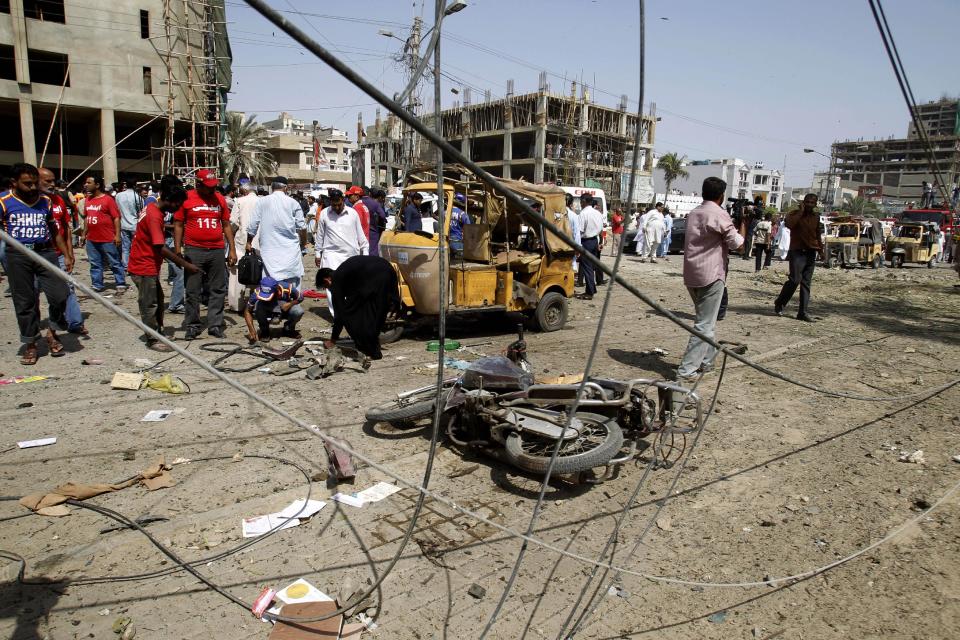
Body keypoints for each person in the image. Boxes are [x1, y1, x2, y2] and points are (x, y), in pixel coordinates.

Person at [0, 163, 73, 365]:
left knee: (60, 294)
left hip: (45, 252)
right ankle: (31, 343)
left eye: (34, 183)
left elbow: (55, 231)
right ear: (14, 183)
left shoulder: (45, 202)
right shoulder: (4, 202)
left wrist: (66, 254)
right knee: (25, 302)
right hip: (18, 255)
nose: (32, 188)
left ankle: (52, 331)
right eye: (27, 184)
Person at [676, 177, 744, 381]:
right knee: (704, 324)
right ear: (721, 196)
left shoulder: (694, 212)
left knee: (707, 320)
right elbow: (738, 245)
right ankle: (686, 371)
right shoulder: (719, 214)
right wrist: (744, 224)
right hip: (711, 275)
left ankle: (707, 362)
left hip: (692, 273)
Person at [127, 177, 200, 352]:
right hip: (144, 264)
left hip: (147, 263)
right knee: (149, 303)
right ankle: (152, 338)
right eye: (178, 204)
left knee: (158, 300)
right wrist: (185, 264)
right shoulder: (154, 215)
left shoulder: (153, 209)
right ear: (169, 200)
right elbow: (160, 246)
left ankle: (157, 332)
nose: (178, 208)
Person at [173, 169, 237, 339]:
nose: (212, 190)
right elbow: (178, 224)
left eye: (214, 186)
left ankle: (215, 324)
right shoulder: (187, 198)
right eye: (208, 187)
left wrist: (232, 249)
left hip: (216, 249)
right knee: (193, 290)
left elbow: (226, 225)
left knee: (218, 288)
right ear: (198, 184)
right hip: (194, 250)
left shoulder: (219, 199)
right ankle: (193, 325)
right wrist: (178, 250)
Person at [316, 255, 400, 362]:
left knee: (354, 315)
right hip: (387, 269)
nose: (329, 289)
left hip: (376, 274)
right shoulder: (346, 273)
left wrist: (333, 340)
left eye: (326, 287)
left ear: (327, 280)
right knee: (376, 313)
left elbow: (339, 314)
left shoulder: (337, 279)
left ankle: (371, 350)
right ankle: (373, 347)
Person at [39, 167, 86, 335]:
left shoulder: (58, 200)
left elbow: (65, 229)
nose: (52, 184)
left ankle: (75, 322)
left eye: (53, 181)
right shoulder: (33, 202)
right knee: (32, 293)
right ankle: (33, 328)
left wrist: (69, 254)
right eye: (48, 181)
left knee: (68, 287)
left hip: (58, 254)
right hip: (34, 255)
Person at [246, 176, 306, 288]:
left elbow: (253, 225)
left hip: (269, 251)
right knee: (291, 285)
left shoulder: (262, 202)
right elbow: (302, 227)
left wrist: (249, 242)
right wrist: (303, 242)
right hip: (290, 251)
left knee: (269, 283)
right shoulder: (293, 203)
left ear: (272, 187)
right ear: (285, 188)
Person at [774, 193, 822, 322]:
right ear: (803, 202)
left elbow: (818, 234)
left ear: (815, 204)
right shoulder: (794, 214)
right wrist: (800, 212)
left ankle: (803, 312)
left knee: (806, 283)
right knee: (795, 280)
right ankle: (780, 302)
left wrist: (821, 250)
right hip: (797, 252)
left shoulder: (816, 217)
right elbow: (789, 225)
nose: (809, 205)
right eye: (807, 202)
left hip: (811, 252)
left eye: (812, 203)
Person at [82, 174, 127, 293]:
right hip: (92, 238)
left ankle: (120, 282)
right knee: (95, 263)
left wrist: (117, 235)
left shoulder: (108, 200)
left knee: (114, 261)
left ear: (97, 185)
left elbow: (116, 218)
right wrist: (84, 233)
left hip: (107, 238)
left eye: (88, 183)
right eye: (86, 183)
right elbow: (87, 217)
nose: (86, 185)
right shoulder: (87, 200)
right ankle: (97, 284)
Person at [314, 188, 368, 271]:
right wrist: (317, 253)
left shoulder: (353, 213)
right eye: (334, 205)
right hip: (330, 257)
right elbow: (320, 235)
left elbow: (361, 235)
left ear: (343, 200)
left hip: (350, 257)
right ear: (330, 202)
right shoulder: (324, 213)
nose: (336, 207)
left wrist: (365, 253)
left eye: (339, 204)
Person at [228, 180, 259, 312]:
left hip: (241, 240)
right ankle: (256, 303)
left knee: (236, 272)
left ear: (245, 191)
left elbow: (233, 222)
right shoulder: (263, 201)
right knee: (257, 272)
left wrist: (229, 235)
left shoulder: (239, 202)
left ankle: (237, 305)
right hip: (259, 241)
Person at [243, 275, 304, 343]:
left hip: (284, 309)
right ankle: (265, 331)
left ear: (276, 290)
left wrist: (290, 304)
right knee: (258, 305)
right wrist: (252, 330)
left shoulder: (287, 287)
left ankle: (288, 329)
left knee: (298, 311)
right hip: (267, 310)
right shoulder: (257, 292)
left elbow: (300, 297)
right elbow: (247, 311)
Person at [577, 194, 604, 300]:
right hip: (594, 241)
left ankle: (590, 292)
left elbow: (580, 231)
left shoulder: (583, 214)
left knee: (587, 267)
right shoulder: (597, 213)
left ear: (583, 201)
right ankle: (591, 288)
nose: (580, 203)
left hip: (586, 241)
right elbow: (601, 229)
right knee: (591, 266)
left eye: (580, 201)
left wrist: (577, 245)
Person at [115, 177, 142, 268]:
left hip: (123, 224)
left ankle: (125, 265)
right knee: (136, 247)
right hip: (135, 224)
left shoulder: (118, 196)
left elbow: (116, 209)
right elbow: (141, 211)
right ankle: (135, 264)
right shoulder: (137, 197)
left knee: (125, 248)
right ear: (135, 185)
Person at [363, 188, 389, 256]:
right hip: (373, 228)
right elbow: (382, 215)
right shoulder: (375, 204)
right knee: (373, 248)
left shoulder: (359, 202)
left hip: (361, 228)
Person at [565, 193, 581, 279]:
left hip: (557, 246)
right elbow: (576, 233)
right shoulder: (574, 216)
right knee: (571, 265)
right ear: (571, 203)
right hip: (570, 246)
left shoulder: (555, 214)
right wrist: (577, 248)